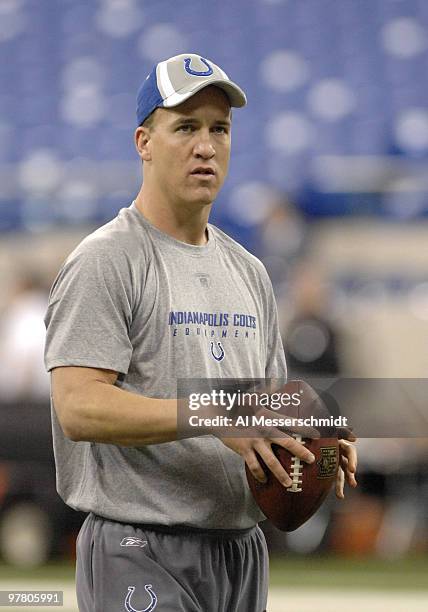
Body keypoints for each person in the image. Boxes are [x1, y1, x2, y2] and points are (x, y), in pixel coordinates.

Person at [44, 53, 357, 612]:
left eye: (220, 128)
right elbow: (79, 408)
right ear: (143, 142)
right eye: (185, 127)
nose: (206, 146)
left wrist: (318, 436)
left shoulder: (251, 272)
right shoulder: (107, 260)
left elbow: (266, 412)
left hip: (239, 550)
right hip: (138, 545)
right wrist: (213, 417)